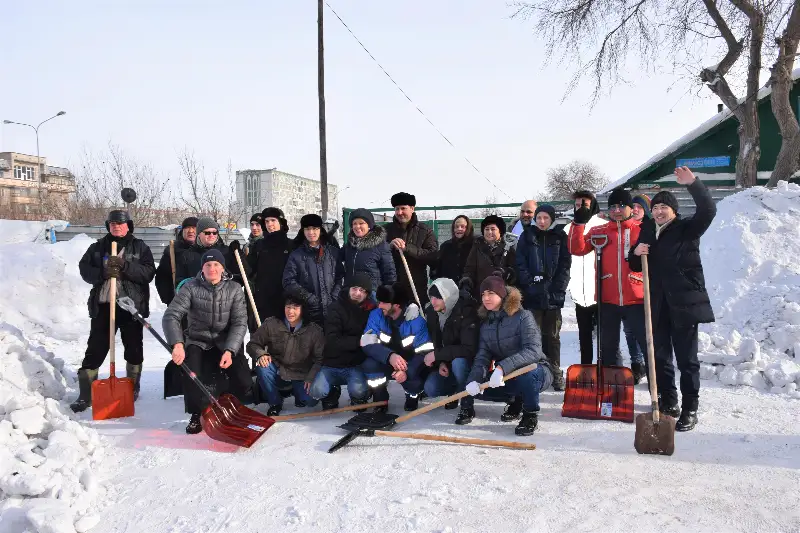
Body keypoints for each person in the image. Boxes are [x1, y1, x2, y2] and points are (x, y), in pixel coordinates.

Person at [630, 167, 716, 432]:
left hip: (684, 304)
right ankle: (669, 402)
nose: (659, 211)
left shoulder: (687, 229)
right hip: (657, 305)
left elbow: (708, 210)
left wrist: (694, 184)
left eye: (664, 207)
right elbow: (635, 264)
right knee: (660, 357)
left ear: (674, 211)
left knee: (687, 360)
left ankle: (690, 409)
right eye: (655, 207)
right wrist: (635, 252)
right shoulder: (647, 231)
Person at [71, 210, 156, 412]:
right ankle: (86, 394)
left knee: (134, 348)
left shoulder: (140, 247)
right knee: (96, 348)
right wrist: (103, 272)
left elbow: (148, 273)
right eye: (112, 223)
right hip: (104, 305)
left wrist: (125, 266)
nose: (116, 226)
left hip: (131, 306)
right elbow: (84, 269)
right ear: (108, 226)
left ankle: (132, 387)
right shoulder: (97, 247)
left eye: (120, 223)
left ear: (128, 226)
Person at [162, 249, 252, 434]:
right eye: (208, 265)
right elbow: (171, 316)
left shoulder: (234, 289)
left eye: (216, 264)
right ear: (202, 268)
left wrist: (230, 350)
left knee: (243, 378)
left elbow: (240, 322)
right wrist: (177, 344)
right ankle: (196, 413)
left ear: (223, 268)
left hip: (225, 341)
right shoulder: (190, 288)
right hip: (198, 340)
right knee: (192, 373)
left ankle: (230, 405)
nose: (212, 268)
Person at [569, 188, 647, 384]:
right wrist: (578, 224)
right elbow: (576, 248)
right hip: (608, 299)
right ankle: (613, 389)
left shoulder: (642, 229)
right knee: (608, 349)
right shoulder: (600, 231)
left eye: (621, 206)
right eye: (613, 207)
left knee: (648, 346)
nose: (617, 210)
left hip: (637, 299)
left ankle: (658, 393)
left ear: (631, 208)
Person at [463, 276, 552, 436]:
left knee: (527, 375)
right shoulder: (486, 325)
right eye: (483, 294)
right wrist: (474, 380)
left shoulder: (523, 316)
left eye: (491, 293)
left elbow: (534, 351)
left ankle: (530, 415)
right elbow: (482, 358)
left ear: (502, 294)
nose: (486, 298)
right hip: (507, 375)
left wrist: (502, 368)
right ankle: (516, 400)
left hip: (537, 372)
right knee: (482, 390)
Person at [515, 204, 571, 391]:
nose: (541, 221)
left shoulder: (560, 236)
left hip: (553, 297)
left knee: (552, 337)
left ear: (552, 219)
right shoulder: (527, 236)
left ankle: (555, 372)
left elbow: (565, 265)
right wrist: (530, 284)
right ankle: (536, 373)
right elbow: (520, 263)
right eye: (539, 217)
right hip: (533, 296)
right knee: (533, 337)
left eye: (546, 218)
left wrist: (558, 288)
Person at [246, 291, 324, 416]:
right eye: (288, 307)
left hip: (301, 374)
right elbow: (252, 344)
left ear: (303, 309)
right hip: (278, 370)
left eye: (295, 308)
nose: (290, 311)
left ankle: (297, 393)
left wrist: (311, 377)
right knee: (262, 367)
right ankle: (275, 402)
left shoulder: (314, 330)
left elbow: (320, 359)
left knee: (310, 401)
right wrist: (261, 354)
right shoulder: (271, 323)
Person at [360, 283, 434, 412]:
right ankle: (380, 399)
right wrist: (389, 356)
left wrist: (407, 371)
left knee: (416, 378)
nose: (379, 305)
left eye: (384, 302)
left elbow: (425, 351)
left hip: (409, 364)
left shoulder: (417, 321)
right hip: (385, 360)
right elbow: (367, 343)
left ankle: (412, 395)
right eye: (379, 301)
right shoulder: (376, 315)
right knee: (369, 364)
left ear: (396, 305)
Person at [309, 273, 376, 409]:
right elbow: (333, 340)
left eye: (362, 290)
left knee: (358, 390)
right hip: (331, 364)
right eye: (354, 288)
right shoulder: (335, 308)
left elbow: (391, 303)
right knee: (316, 391)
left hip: (354, 364)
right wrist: (359, 341)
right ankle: (332, 393)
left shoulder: (371, 310)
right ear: (348, 288)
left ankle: (359, 397)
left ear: (367, 294)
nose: (357, 293)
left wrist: (412, 306)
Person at [422, 278, 479, 424]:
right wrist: (440, 362)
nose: (433, 301)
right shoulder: (432, 313)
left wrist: (437, 355)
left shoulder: (466, 310)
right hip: (446, 362)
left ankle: (467, 405)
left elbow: (469, 349)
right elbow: (435, 342)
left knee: (458, 363)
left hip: (468, 364)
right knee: (431, 388)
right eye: (431, 297)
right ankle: (454, 392)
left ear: (448, 297)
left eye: (438, 297)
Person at [564, 191, 605, 366]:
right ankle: (586, 368)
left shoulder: (603, 226)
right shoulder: (569, 228)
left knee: (605, 336)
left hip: (601, 289)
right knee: (584, 334)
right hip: (579, 291)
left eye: (585, 205)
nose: (580, 209)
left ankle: (606, 367)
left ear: (592, 205)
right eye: (578, 205)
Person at [283, 213, 343, 325]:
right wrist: (309, 298)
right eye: (307, 229)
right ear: (303, 231)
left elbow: (341, 277)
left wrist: (334, 297)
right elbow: (288, 281)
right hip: (309, 312)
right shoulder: (296, 255)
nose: (311, 232)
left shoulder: (333, 253)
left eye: (315, 228)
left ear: (321, 230)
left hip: (333, 310)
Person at [386, 192, 439, 306]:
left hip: (416, 289)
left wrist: (408, 248)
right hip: (391, 288)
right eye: (397, 209)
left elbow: (433, 255)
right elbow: (376, 253)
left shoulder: (425, 231)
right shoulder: (386, 230)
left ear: (412, 208)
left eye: (403, 208)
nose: (399, 212)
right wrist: (389, 246)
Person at [247, 207, 294, 321]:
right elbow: (248, 269)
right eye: (267, 221)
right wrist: (236, 254)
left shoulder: (291, 245)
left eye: (273, 220)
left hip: (286, 301)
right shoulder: (259, 245)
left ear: (281, 222)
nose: (269, 224)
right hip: (263, 302)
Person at [174, 217, 247, 287]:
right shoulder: (187, 255)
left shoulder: (226, 252)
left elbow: (242, 278)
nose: (211, 235)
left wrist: (240, 255)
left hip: (224, 294)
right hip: (197, 294)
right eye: (207, 233)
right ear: (199, 234)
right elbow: (180, 282)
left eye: (214, 232)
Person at [339, 208, 396, 296]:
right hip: (352, 293)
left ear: (369, 225)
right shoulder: (350, 245)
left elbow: (389, 272)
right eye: (354, 223)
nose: (357, 226)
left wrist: (389, 294)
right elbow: (336, 257)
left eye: (361, 223)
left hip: (371, 293)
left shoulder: (380, 245)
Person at [460, 214, 516, 299]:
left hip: (501, 295)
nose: (489, 232)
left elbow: (514, 271)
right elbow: (469, 269)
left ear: (500, 231)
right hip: (481, 294)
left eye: (493, 229)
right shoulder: (477, 247)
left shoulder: (509, 248)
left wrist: (505, 273)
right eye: (486, 229)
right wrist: (466, 282)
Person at [154, 216, 197, 305]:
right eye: (187, 228)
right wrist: (170, 300)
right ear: (182, 230)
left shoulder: (207, 250)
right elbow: (162, 277)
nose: (191, 231)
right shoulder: (172, 250)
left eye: (194, 228)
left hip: (203, 304)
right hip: (179, 303)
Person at [430, 215, 475, 284]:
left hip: (471, 288)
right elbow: (436, 269)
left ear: (468, 228)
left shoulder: (475, 246)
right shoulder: (446, 246)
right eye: (456, 226)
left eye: (462, 226)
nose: (459, 229)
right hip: (449, 288)